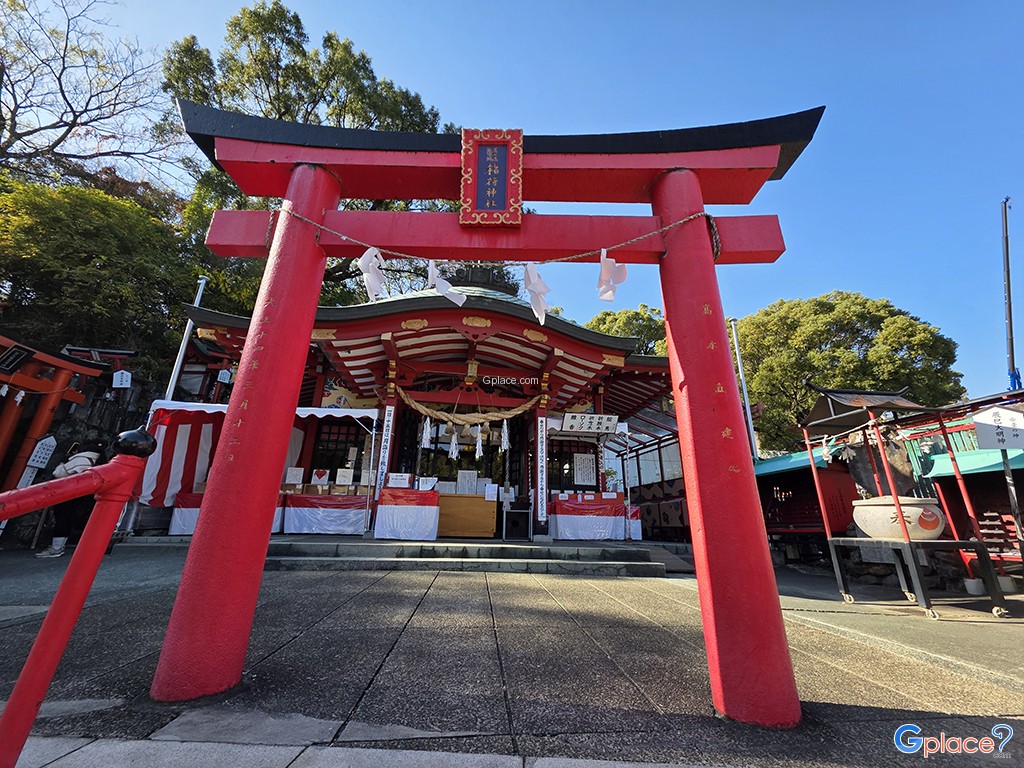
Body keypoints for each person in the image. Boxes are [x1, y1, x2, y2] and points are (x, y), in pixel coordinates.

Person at [35, 439, 107, 558]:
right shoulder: (100, 461)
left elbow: (58, 473)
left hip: (66, 491)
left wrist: (63, 461)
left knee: (62, 518)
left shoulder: (81, 458)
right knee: (69, 518)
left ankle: (56, 548)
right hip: (82, 493)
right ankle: (60, 545)